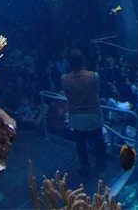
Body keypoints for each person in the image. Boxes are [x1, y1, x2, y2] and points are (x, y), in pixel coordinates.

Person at [61, 48, 107, 178]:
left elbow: (68, 95)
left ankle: (85, 168)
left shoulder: (64, 78)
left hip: (77, 116)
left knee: (81, 145)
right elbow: (97, 91)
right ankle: (101, 164)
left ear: (69, 63)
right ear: (83, 60)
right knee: (98, 140)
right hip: (93, 113)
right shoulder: (93, 76)